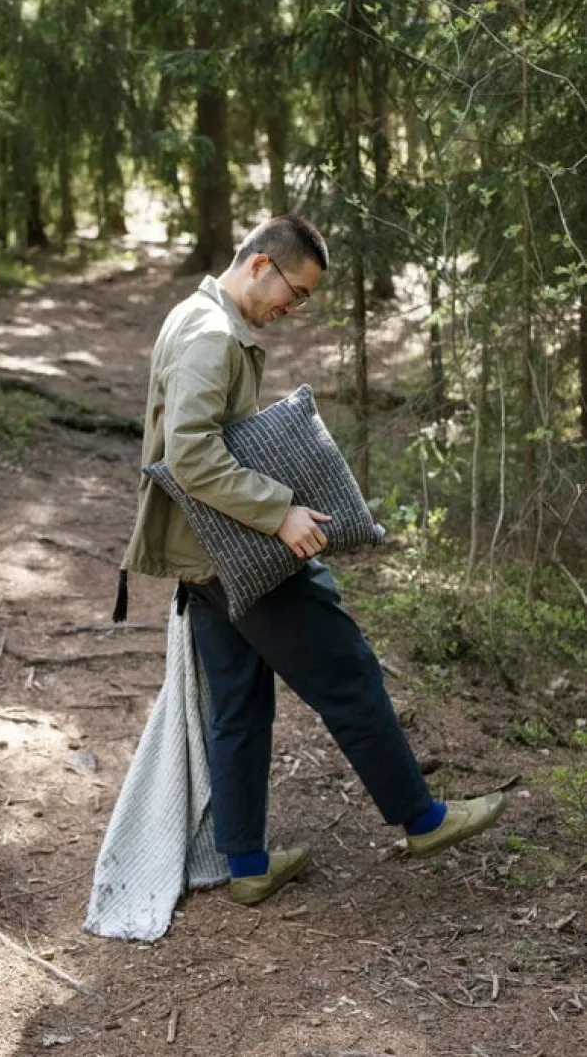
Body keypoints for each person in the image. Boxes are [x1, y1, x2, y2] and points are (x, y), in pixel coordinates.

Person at [119, 214, 508, 907]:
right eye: (293, 292)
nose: (291, 308)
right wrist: (281, 510)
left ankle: (246, 863)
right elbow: (192, 453)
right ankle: (423, 819)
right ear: (261, 263)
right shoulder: (211, 335)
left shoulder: (194, 313)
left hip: (203, 554)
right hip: (238, 545)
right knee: (348, 670)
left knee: (238, 703)